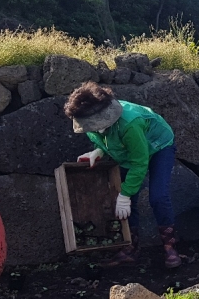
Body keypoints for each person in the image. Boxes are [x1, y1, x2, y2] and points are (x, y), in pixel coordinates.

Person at [64, 81, 180, 268]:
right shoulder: (89, 121)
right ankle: (130, 248)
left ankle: (170, 247)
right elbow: (102, 138)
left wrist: (125, 194)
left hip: (158, 145)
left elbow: (139, 162)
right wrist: (99, 151)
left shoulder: (129, 123)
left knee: (158, 196)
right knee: (125, 198)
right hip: (129, 150)